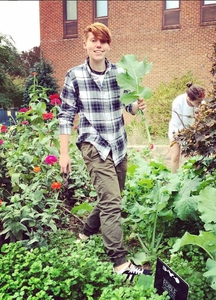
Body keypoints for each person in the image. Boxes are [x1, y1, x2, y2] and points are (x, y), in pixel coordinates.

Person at [57, 22, 151, 282]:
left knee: (111, 196)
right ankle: (120, 264)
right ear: (85, 44)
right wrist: (64, 153)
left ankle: (86, 234)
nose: (99, 45)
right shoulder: (74, 75)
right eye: (94, 40)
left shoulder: (120, 73)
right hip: (92, 143)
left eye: (103, 41)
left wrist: (136, 105)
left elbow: (128, 107)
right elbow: (65, 115)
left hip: (118, 143)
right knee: (112, 202)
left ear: (108, 45)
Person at [168, 83, 205, 173]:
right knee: (175, 156)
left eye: (201, 101)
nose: (200, 104)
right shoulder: (178, 102)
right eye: (198, 102)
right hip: (176, 130)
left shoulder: (202, 104)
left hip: (194, 132)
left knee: (196, 158)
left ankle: (196, 179)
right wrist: (185, 136)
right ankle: (174, 179)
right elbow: (177, 123)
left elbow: (202, 122)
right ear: (189, 98)